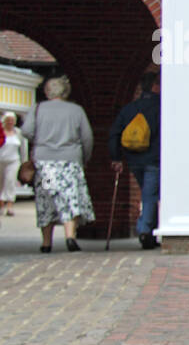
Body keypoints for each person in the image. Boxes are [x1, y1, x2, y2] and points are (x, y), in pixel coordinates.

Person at [21, 75, 95, 252]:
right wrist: (84, 158)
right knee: (71, 198)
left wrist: (41, 139)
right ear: (66, 92)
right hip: (70, 160)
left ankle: (46, 243)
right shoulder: (76, 110)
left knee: (46, 201)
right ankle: (70, 237)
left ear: (47, 92)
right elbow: (87, 137)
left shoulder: (37, 109)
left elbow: (26, 131)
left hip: (44, 161)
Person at [109, 69, 162, 249]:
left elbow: (115, 132)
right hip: (154, 159)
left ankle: (150, 231)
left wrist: (116, 158)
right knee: (150, 195)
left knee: (149, 193)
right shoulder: (162, 106)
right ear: (155, 86)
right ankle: (145, 231)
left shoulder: (129, 108)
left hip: (134, 158)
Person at [0, 111, 27, 219]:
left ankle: (10, 205)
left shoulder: (18, 133)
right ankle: (1, 205)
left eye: (12, 120)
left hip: (13, 161)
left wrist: (24, 163)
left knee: (10, 182)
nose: (10, 122)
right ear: (4, 121)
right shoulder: (1, 131)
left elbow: (23, 149)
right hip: (1, 160)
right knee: (0, 184)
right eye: (8, 120)